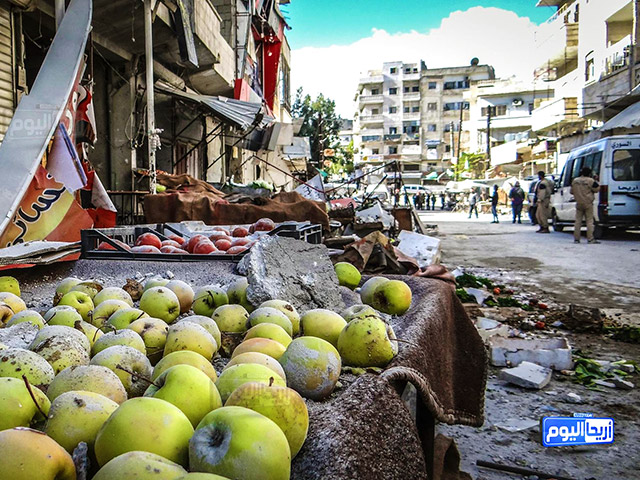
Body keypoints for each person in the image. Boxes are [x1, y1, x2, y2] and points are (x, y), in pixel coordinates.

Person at [571, 167, 600, 244]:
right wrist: (596, 180)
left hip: (579, 203)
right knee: (589, 221)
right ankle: (590, 239)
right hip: (588, 203)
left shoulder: (575, 180)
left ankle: (576, 239)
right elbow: (597, 189)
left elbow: (572, 191)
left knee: (578, 221)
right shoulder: (590, 181)